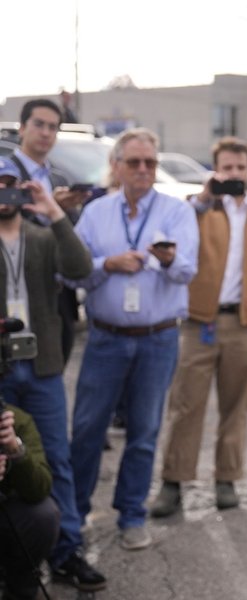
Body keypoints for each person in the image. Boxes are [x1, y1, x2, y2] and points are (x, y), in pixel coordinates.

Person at [66, 128, 199, 551]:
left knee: (144, 430)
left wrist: (170, 258)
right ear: (117, 166)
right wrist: (109, 262)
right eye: (135, 162)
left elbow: (187, 271)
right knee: (87, 428)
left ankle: (131, 515)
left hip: (157, 339)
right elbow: (72, 271)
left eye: (150, 162)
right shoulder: (95, 212)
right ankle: (75, 513)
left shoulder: (177, 212)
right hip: (105, 338)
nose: (143, 170)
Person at [151, 137, 247, 517]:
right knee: (185, 404)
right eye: (226, 168)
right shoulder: (198, 211)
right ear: (215, 171)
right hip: (200, 324)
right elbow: (172, 235)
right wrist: (204, 196)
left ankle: (226, 478)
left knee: (236, 406)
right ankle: (173, 481)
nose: (234, 174)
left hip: (246, 325)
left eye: (240, 167)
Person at [0, 159, 105, 591]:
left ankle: (65, 552)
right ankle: (15, 555)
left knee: (56, 461)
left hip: (42, 366)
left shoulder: (42, 237)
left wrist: (54, 211)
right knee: (8, 458)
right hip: (2, 368)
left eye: (10, 185)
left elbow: (81, 268)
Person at [10, 99, 91, 364]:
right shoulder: (6, 175)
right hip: (16, 286)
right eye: (39, 124)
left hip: (58, 291)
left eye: (53, 127)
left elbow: (72, 235)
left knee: (57, 360)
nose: (46, 133)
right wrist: (47, 211)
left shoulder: (58, 179)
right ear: (22, 128)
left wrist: (62, 211)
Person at [0, 405, 61, 600]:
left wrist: (15, 449)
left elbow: (40, 489)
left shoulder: (16, 421)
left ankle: (21, 588)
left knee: (43, 515)